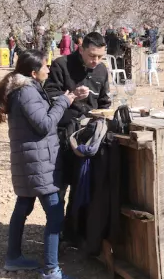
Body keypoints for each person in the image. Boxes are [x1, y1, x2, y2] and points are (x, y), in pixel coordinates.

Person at [0, 49, 80, 279]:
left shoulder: (25, 89)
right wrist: (63, 102)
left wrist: (67, 98)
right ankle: (51, 269)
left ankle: (13, 257)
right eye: (45, 66)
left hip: (29, 160)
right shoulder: (27, 92)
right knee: (55, 213)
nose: (48, 69)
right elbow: (44, 124)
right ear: (33, 71)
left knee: (23, 207)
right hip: (37, 163)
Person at [44, 32, 111, 244]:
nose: (96, 61)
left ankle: (75, 232)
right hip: (63, 134)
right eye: (92, 55)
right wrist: (71, 94)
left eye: (100, 57)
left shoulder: (101, 70)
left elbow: (104, 102)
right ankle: (56, 234)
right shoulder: (60, 64)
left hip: (89, 137)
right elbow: (48, 94)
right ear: (81, 49)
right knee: (61, 185)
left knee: (82, 184)